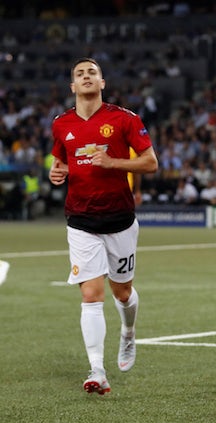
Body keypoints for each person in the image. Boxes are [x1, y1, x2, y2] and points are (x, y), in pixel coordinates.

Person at [49, 57, 158, 394]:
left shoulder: (124, 119)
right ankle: (97, 370)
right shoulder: (60, 124)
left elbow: (151, 163)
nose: (85, 76)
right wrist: (56, 173)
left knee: (122, 292)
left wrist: (113, 162)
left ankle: (128, 332)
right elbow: (60, 160)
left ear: (102, 83)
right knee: (90, 294)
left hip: (120, 221)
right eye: (79, 73)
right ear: (72, 86)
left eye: (91, 72)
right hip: (81, 221)